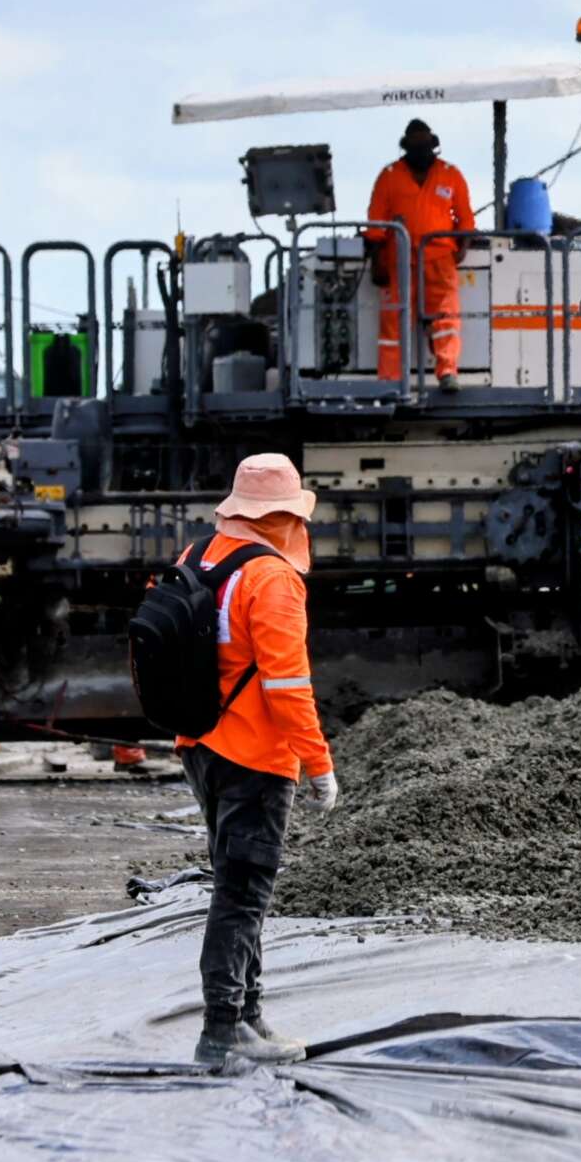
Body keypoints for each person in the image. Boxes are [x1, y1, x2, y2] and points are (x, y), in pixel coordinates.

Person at [174, 454, 339, 1067]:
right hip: (255, 759)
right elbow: (287, 686)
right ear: (284, 517)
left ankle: (248, 1015)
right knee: (241, 894)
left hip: (201, 747)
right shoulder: (272, 579)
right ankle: (221, 1030)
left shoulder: (199, 557)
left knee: (239, 886)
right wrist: (318, 764)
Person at [366, 119, 477, 388]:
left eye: (424, 145)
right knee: (394, 321)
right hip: (399, 260)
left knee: (446, 317)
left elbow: (465, 218)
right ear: (405, 148)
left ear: (433, 146)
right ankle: (390, 380)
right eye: (415, 146)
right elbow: (376, 223)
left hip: (440, 259)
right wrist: (376, 260)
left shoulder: (451, 174)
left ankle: (447, 371)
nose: (420, 150)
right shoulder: (389, 176)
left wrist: (462, 248)